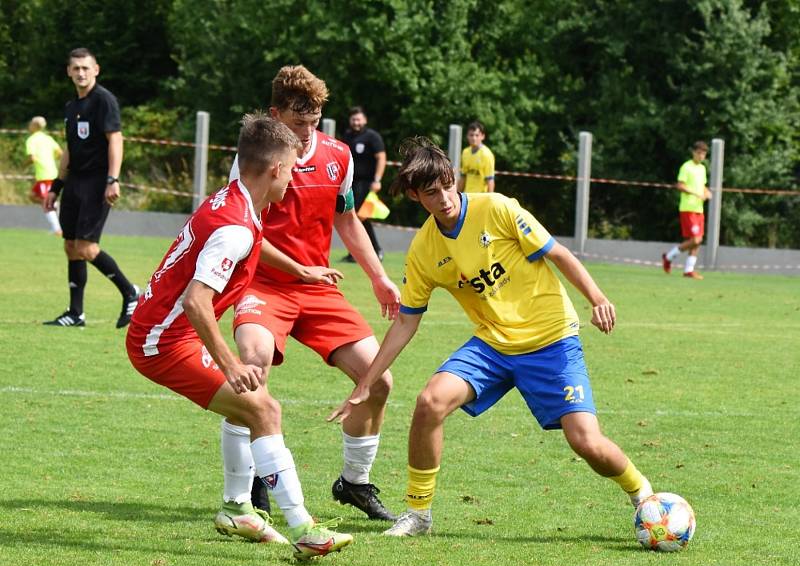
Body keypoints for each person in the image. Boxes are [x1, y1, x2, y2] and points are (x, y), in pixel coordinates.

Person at [331, 137, 654, 537]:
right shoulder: (423, 251)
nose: (446, 198)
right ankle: (418, 514)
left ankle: (643, 493)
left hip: (552, 340)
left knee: (586, 441)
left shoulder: (497, 208)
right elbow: (405, 322)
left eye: (449, 185)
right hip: (493, 346)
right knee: (430, 402)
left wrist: (597, 298)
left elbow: (558, 253)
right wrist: (365, 382)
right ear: (416, 196)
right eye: (432, 193)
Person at [127, 113, 353, 560]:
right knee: (265, 407)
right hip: (163, 342)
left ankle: (236, 507)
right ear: (274, 170)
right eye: (290, 168)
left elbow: (255, 239)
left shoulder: (235, 201)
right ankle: (304, 527)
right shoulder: (233, 227)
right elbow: (196, 301)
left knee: (254, 403)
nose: (293, 177)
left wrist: (300, 269)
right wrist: (230, 363)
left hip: (170, 333)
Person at [224, 66, 401, 526]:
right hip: (263, 284)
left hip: (318, 288)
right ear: (274, 114)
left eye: (315, 122)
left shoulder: (339, 156)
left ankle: (355, 483)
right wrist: (296, 268)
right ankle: (250, 488)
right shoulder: (256, 158)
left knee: (378, 381)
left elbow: (346, 221)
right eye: (297, 124)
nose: (306, 133)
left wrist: (379, 277)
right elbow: (241, 227)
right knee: (252, 367)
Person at [43, 48, 139, 328]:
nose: (81, 73)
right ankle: (75, 313)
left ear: (96, 69)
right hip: (74, 182)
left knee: (86, 247)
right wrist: (55, 187)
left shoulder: (104, 101)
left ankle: (130, 292)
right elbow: (69, 150)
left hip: (98, 182)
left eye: (86, 68)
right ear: (69, 72)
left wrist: (113, 179)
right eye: (76, 68)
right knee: (71, 246)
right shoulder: (71, 107)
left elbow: (116, 140)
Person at [341, 106, 387, 262]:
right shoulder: (347, 136)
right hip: (350, 183)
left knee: (358, 217)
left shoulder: (372, 137)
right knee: (355, 217)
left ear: (365, 120)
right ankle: (357, 253)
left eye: (359, 119)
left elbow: (381, 158)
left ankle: (375, 250)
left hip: (366, 183)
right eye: (353, 119)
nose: (356, 122)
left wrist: (377, 180)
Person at [662, 141, 712, 280]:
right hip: (688, 208)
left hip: (699, 209)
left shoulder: (702, 169)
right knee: (695, 239)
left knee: (697, 240)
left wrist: (707, 193)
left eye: (704, 154)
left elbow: (702, 186)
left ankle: (689, 270)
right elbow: (680, 185)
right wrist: (696, 194)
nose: (701, 156)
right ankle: (669, 256)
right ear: (694, 152)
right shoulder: (686, 167)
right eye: (699, 153)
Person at [25, 116, 63, 235]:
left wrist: (24, 165)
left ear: (34, 126)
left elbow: (32, 157)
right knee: (32, 196)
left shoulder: (31, 140)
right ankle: (55, 206)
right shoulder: (48, 138)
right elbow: (60, 153)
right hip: (52, 172)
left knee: (45, 201)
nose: (29, 125)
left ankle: (57, 228)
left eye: (30, 123)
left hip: (44, 174)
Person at [457, 120, 495, 193]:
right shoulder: (465, 152)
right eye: (471, 135)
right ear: (467, 136)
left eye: (477, 135)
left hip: (480, 197)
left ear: (482, 136)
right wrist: (457, 195)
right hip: (467, 196)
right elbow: (463, 177)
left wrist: (489, 200)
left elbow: (490, 180)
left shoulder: (487, 154)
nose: (474, 138)